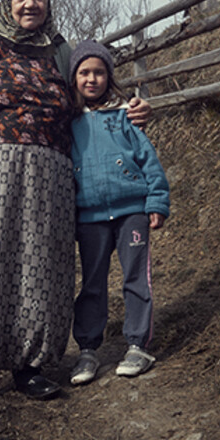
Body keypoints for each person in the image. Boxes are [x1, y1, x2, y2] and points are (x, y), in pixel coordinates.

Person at [0, 0, 149, 410]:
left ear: (49, 3)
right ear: (7, 1)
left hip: (51, 180)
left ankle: (28, 368)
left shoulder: (61, 52)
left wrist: (131, 112)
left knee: (39, 267)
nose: (31, 4)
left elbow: (92, 100)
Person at [65, 40, 170, 386]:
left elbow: (148, 160)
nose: (91, 79)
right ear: (74, 78)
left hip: (131, 213)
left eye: (98, 72)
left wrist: (156, 201)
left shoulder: (126, 116)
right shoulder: (68, 123)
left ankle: (138, 345)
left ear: (108, 77)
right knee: (92, 283)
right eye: (84, 73)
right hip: (90, 217)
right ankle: (88, 351)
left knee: (135, 278)